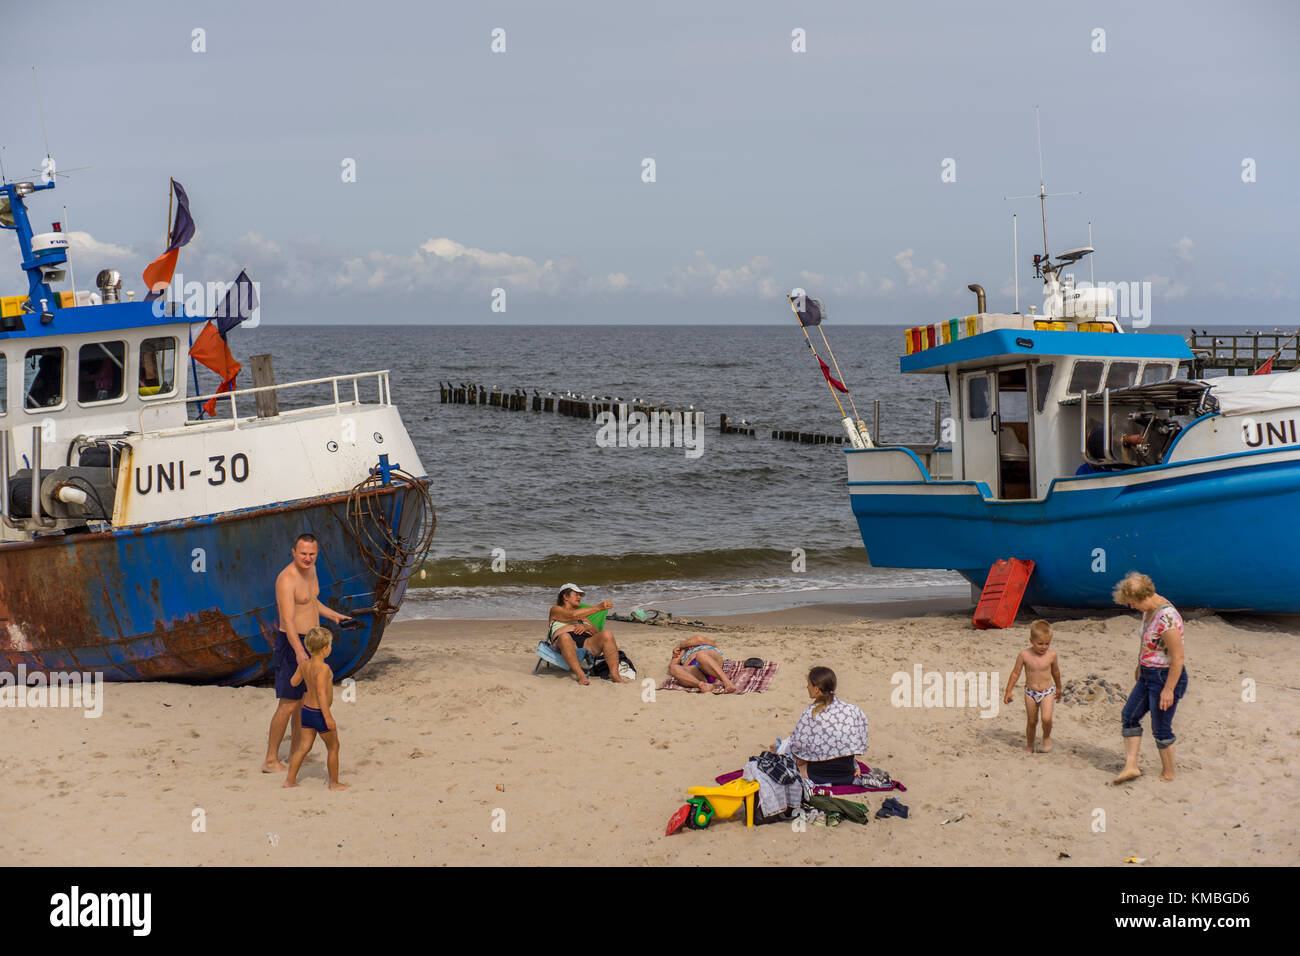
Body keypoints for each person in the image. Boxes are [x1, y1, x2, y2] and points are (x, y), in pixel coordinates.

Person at [263, 533, 352, 772]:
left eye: (312, 554)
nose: (307, 558)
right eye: (303, 553)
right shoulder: (286, 579)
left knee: (303, 701)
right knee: (289, 703)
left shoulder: (311, 571)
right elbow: (288, 620)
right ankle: (270, 760)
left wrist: (332, 615)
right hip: (292, 643)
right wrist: (298, 650)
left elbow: (311, 601)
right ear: (293, 552)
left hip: (310, 643)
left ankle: (295, 753)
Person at [1112, 572, 1188, 784]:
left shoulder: (1167, 619)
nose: (1131, 607)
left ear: (1144, 597)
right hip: (1148, 673)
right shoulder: (1149, 608)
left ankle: (1169, 773)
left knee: (1161, 728)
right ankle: (1131, 766)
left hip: (1165, 677)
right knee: (1129, 715)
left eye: (1132, 603)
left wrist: (1169, 689)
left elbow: (1178, 658)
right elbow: (1149, 642)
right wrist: (1140, 665)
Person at [284, 626, 347, 791]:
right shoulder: (324, 668)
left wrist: (303, 673)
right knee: (333, 747)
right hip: (320, 713)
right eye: (330, 646)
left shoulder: (304, 665)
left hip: (306, 711)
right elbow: (321, 693)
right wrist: (328, 717)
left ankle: (289, 781)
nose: (331, 648)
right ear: (325, 649)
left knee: (304, 747)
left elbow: (293, 682)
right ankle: (334, 783)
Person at [785, 667, 869, 785]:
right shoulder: (853, 710)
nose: (807, 687)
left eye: (808, 684)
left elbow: (799, 745)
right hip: (847, 774)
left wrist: (800, 759)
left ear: (816, 689)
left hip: (817, 775)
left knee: (791, 758)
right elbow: (861, 740)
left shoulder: (810, 713)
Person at [1003, 620, 1064, 753]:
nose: (1043, 647)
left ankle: (1046, 738)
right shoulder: (1024, 655)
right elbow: (1015, 673)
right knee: (1032, 721)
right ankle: (1030, 745)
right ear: (1031, 641)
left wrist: (1059, 688)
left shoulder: (1051, 656)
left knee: (1046, 718)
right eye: (1040, 643)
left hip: (1047, 692)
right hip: (1030, 693)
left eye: (1047, 644)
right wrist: (1008, 691)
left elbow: (1056, 672)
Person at [547, 584, 625, 684]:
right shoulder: (556, 610)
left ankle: (615, 675)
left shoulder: (583, 617)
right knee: (564, 637)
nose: (579, 597)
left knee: (607, 634)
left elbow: (597, 632)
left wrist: (587, 627)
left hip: (586, 643)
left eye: (580, 595)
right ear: (565, 597)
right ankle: (581, 675)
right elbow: (571, 615)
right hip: (564, 643)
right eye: (576, 594)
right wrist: (598, 607)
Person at [668, 635, 736, 694]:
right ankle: (701, 685)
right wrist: (677, 653)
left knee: (701, 655)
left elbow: (699, 639)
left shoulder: (705, 644)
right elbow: (672, 665)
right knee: (674, 668)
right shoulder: (682, 650)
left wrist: (680, 646)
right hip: (697, 672)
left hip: (709, 660)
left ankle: (727, 682)